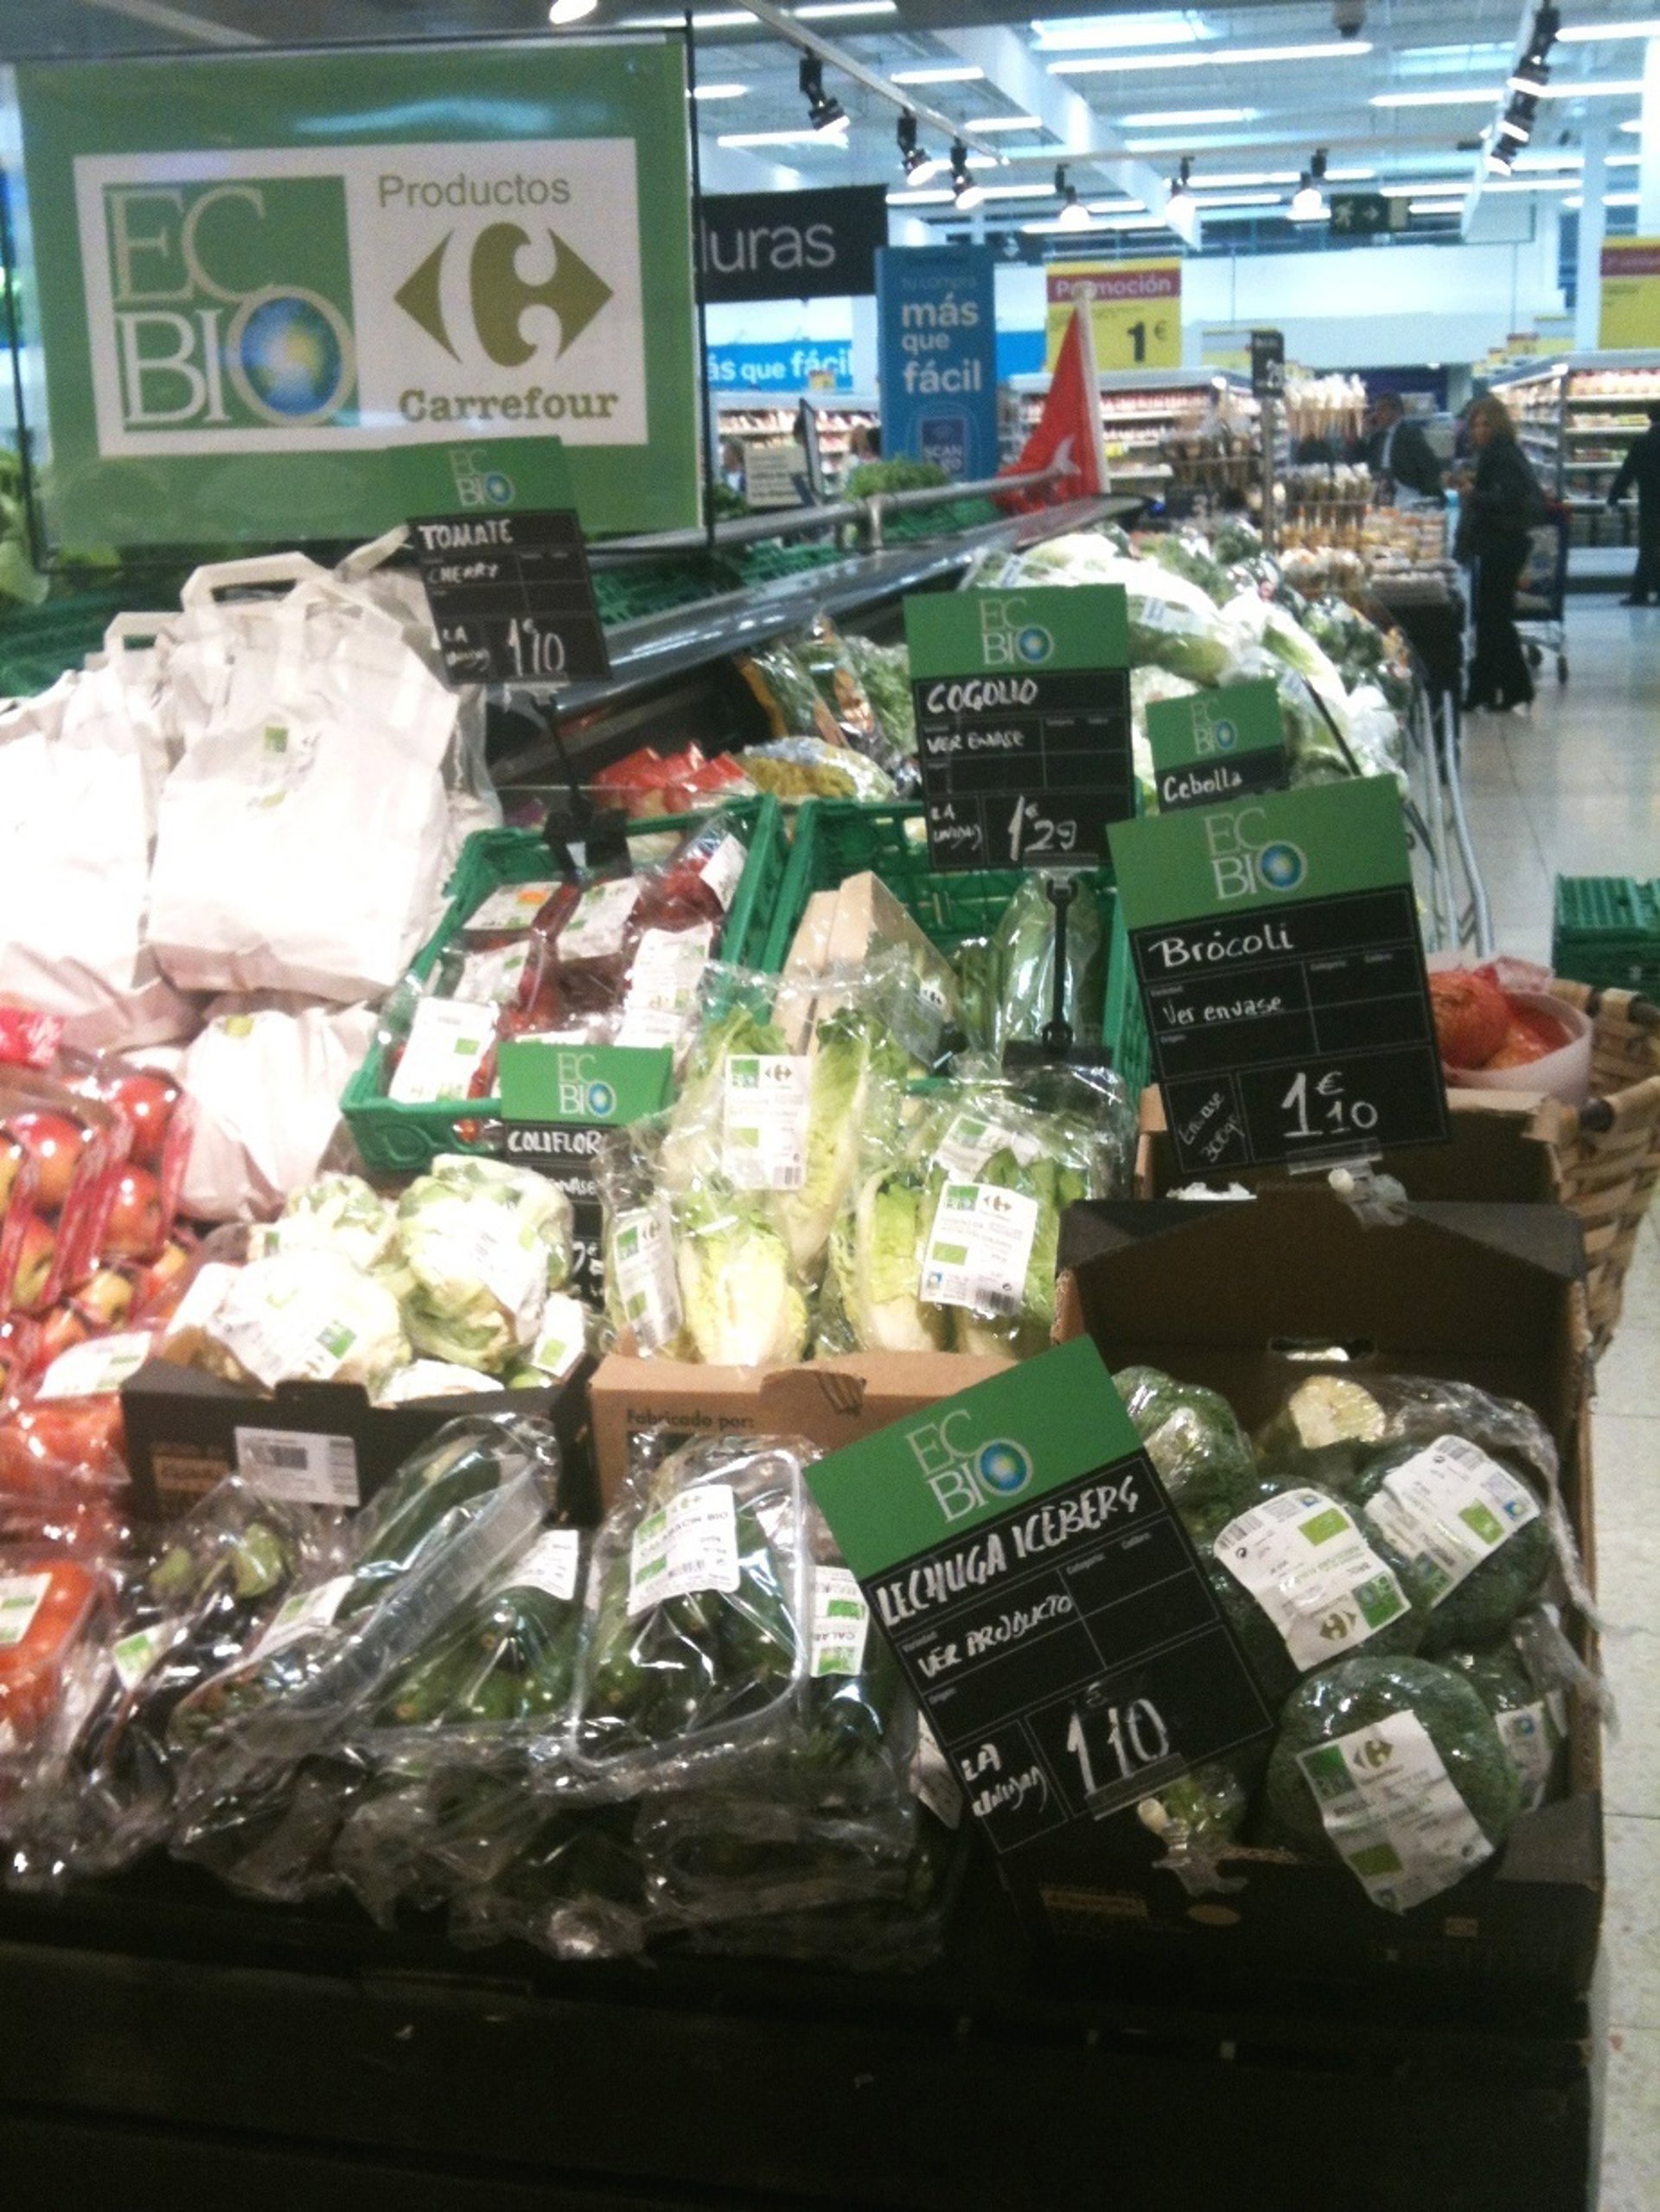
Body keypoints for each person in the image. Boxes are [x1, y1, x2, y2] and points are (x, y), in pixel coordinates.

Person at [1453, 392, 1548, 714]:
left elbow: (1509, 500)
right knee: (1492, 619)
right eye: (1475, 425)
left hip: (1503, 545)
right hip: (1501, 543)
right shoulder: (1498, 453)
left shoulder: (1502, 454)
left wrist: (1473, 494)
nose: (1478, 431)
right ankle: (1496, 689)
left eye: (1485, 425)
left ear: (1498, 425)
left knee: (1494, 620)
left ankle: (1504, 688)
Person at [1606, 402, 1660, 606]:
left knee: (1648, 547)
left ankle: (1640, 593)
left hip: (1650, 503)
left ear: (1650, 417)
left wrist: (1613, 498)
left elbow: (1627, 472)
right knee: (1650, 550)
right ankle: (1640, 592)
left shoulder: (1643, 442)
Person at [1360, 392, 1444, 507]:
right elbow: (1364, 463)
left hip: (1408, 494)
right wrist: (1363, 434)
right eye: (1376, 410)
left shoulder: (1410, 434)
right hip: (1382, 493)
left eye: (1381, 409)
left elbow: (1430, 466)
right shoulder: (1377, 437)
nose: (1376, 414)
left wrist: (1426, 494)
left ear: (1396, 411)